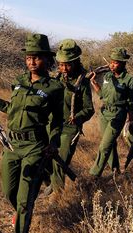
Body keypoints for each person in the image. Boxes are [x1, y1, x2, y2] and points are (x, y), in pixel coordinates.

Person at [0, 33, 63, 233]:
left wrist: (54, 143)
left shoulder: (54, 88)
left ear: (48, 60)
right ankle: (23, 212)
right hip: (12, 144)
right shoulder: (19, 82)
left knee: (23, 199)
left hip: (35, 146)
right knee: (8, 190)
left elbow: (57, 120)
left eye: (37, 57)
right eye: (29, 57)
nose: (31, 62)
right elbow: (15, 109)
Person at [46, 39, 94, 193]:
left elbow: (89, 109)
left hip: (70, 128)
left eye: (67, 65)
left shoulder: (82, 82)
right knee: (46, 158)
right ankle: (51, 184)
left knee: (61, 160)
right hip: (52, 125)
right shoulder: (56, 78)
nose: (64, 68)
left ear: (75, 62)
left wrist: (77, 118)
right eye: (60, 64)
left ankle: (58, 196)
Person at [89, 47, 133, 177]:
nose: (112, 65)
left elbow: (131, 102)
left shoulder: (130, 79)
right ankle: (115, 170)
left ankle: (93, 175)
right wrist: (94, 83)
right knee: (110, 144)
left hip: (118, 115)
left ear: (123, 63)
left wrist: (131, 120)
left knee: (104, 146)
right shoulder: (107, 76)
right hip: (104, 113)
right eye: (111, 62)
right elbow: (103, 95)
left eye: (115, 62)